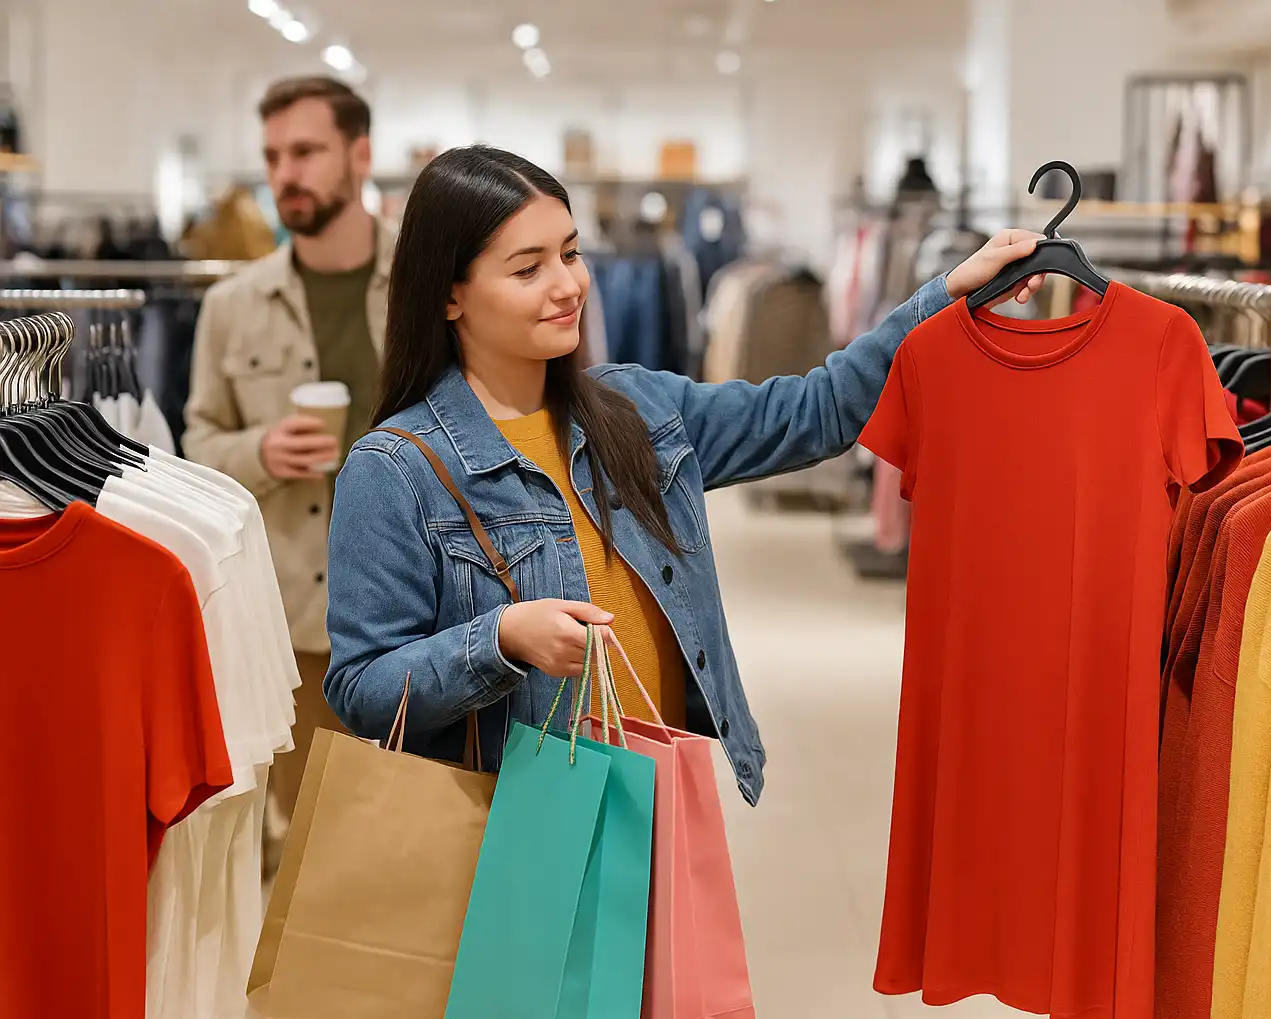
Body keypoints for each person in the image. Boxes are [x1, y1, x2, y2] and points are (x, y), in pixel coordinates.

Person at [323, 145, 1043, 803]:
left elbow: (813, 412)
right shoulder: (396, 469)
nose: (568, 285)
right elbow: (361, 688)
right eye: (527, 268)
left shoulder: (636, 407)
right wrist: (499, 639)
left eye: (570, 254)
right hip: (516, 826)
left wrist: (945, 293)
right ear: (449, 295)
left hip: (655, 801)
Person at [182, 76, 389, 864]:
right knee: (314, 857)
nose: (285, 174)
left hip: (417, 615)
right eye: (272, 156)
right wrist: (259, 452)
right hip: (293, 624)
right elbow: (194, 445)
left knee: (417, 845)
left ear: (360, 155)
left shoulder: (429, 290)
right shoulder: (232, 305)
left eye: (306, 151)